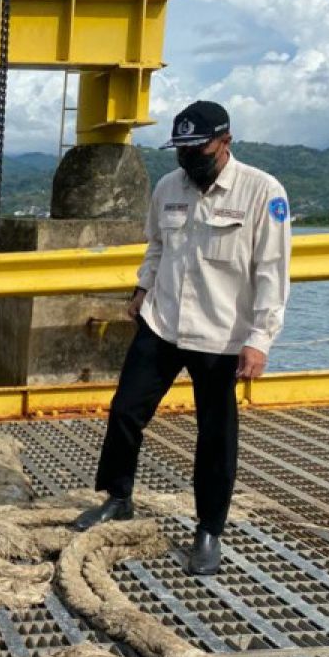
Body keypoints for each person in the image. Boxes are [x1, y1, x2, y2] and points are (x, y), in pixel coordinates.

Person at [72, 101, 292, 575]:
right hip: (164, 321)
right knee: (126, 409)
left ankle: (209, 528)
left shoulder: (262, 192)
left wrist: (259, 340)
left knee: (215, 434)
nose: (189, 158)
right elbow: (157, 244)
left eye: (199, 148)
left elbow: (272, 273)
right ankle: (118, 496)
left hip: (221, 334)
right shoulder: (169, 187)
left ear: (225, 142)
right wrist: (142, 288)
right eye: (182, 149)